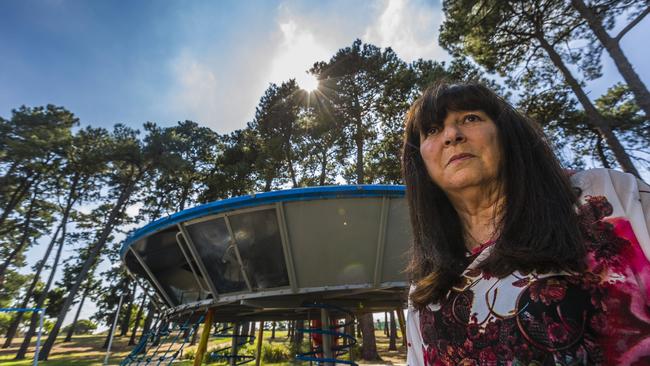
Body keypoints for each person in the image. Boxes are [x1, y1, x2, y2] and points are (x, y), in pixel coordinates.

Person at [402, 81, 650, 365]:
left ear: (506, 133)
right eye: (432, 130)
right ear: (420, 161)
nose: (452, 135)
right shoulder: (424, 291)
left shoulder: (606, 196)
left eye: (470, 118)